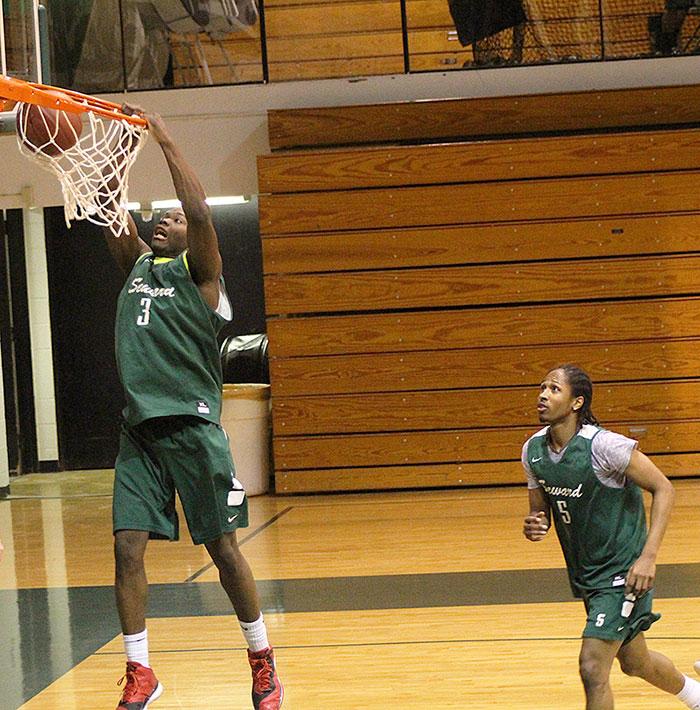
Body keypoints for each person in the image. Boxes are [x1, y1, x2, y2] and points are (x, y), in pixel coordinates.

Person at [101, 104, 282, 710]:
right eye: (163, 216)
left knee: (223, 551)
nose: (166, 220)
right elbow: (108, 207)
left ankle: (261, 661)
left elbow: (201, 210)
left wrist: (163, 137)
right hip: (140, 434)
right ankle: (140, 670)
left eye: (175, 219)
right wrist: (100, 153)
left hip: (195, 429)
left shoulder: (202, 275)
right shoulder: (136, 269)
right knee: (127, 548)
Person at [521, 364, 700, 710]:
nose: (543, 394)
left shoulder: (605, 446)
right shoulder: (533, 451)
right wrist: (535, 524)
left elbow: (664, 488)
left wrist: (648, 558)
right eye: (542, 387)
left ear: (577, 402)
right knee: (635, 662)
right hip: (588, 573)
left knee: (592, 666)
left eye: (554, 389)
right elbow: (538, 511)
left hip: (624, 571)